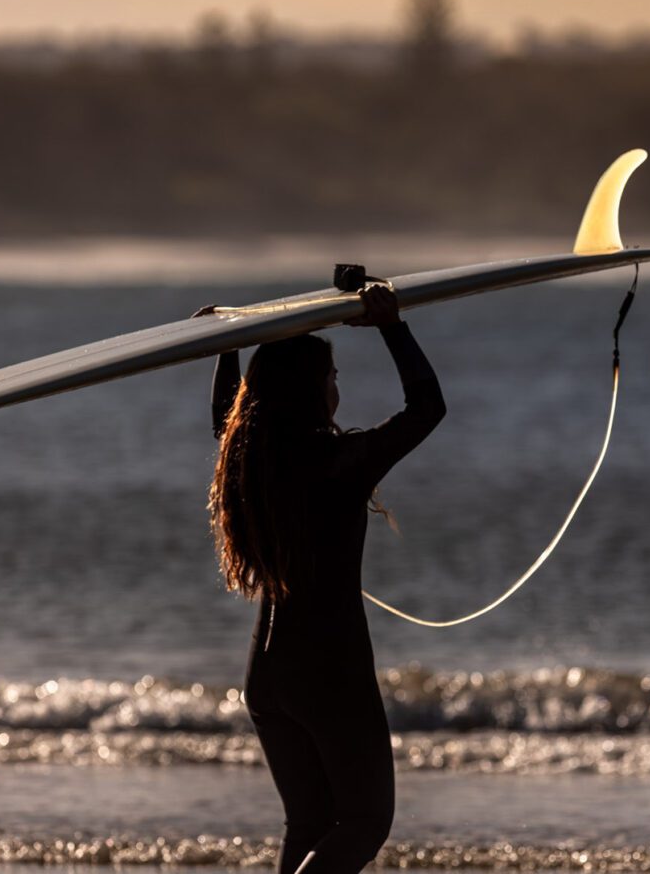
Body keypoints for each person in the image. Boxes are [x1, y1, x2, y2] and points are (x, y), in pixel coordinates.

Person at [203, 285, 445, 874]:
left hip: (268, 673)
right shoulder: (340, 462)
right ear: (310, 390)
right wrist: (392, 327)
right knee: (365, 821)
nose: (338, 389)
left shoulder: (249, 459)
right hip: (327, 670)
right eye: (332, 376)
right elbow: (426, 409)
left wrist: (226, 347)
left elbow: (223, 421)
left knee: (310, 824)